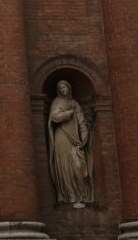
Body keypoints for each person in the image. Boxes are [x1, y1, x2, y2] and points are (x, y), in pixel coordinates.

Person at [47, 79, 94, 207]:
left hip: (75, 139)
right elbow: (54, 117)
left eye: (64, 87)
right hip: (61, 137)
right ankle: (70, 196)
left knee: (78, 167)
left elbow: (82, 122)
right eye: (60, 88)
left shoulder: (75, 104)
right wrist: (68, 113)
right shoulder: (57, 102)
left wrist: (84, 138)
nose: (62, 90)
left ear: (69, 88)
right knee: (64, 168)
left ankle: (83, 196)